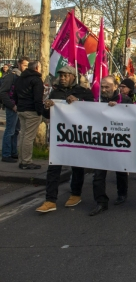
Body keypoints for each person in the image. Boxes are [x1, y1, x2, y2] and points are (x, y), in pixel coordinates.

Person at [35, 66, 95, 213]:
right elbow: (47, 115)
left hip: (77, 135)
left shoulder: (84, 92)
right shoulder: (55, 92)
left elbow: (93, 111)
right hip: (60, 136)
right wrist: (47, 107)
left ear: (73, 77)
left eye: (65, 76)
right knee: (53, 167)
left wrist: (79, 101)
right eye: (61, 75)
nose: (62, 78)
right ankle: (50, 200)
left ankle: (75, 194)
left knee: (77, 166)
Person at [89, 76, 132, 216]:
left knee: (120, 169)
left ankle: (122, 193)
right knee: (98, 174)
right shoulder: (96, 100)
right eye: (102, 87)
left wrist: (118, 109)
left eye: (107, 86)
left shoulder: (124, 100)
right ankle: (101, 202)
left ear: (115, 87)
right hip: (101, 142)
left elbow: (130, 117)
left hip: (118, 142)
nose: (104, 89)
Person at [14, 60, 44, 170]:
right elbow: (38, 98)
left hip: (21, 109)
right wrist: (40, 111)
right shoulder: (36, 80)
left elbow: (15, 94)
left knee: (23, 135)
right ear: (36, 68)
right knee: (29, 137)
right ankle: (26, 161)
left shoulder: (20, 78)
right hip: (32, 110)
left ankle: (22, 160)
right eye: (40, 67)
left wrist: (18, 105)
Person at [0, 57, 28, 163]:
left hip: (19, 107)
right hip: (12, 107)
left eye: (27, 65)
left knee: (16, 131)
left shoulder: (21, 77)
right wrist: (11, 105)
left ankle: (13, 152)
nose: (26, 67)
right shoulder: (11, 76)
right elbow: (3, 92)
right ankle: (6, 154)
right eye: (24, 65)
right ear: (19, 64)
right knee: (10, 131)